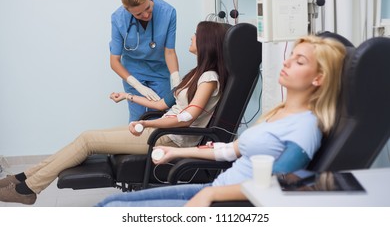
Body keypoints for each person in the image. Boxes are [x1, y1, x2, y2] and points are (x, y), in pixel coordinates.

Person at [95, 35, 347, 207]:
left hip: (230, 202)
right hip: (217, 189)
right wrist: (173, 152)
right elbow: (228, 150)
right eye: (291, 55)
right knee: (107, 204)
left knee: (111, 210)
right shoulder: (278, 113)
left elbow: (278, 183)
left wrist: (211, 193)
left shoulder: (305, 127)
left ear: (318, 79)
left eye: (299, 61)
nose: (287, 62)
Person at [0, 21, 229, 205]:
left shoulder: (209, 78)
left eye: (196, 35)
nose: (191, 37)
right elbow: (161, 104)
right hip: (161, 130)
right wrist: (128, 96)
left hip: (169, 139)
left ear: (206, 42)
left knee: (88, 140)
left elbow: (186, 118)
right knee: (86, 136)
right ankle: (23, 178)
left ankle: (27, 189)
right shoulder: (197, 73)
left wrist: (149, 125)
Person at [110, 0, 180, 122]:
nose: (146, 15)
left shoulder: (168, 12)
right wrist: (137, 86)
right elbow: (114, 61)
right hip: (133, 72)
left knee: (160, 116)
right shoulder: (118, 18)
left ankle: (157, 145)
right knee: (137, 118)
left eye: (148, 8)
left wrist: (176, 79)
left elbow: (170, 51)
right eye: (138, 14)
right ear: (128, 11)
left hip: (159, 70)